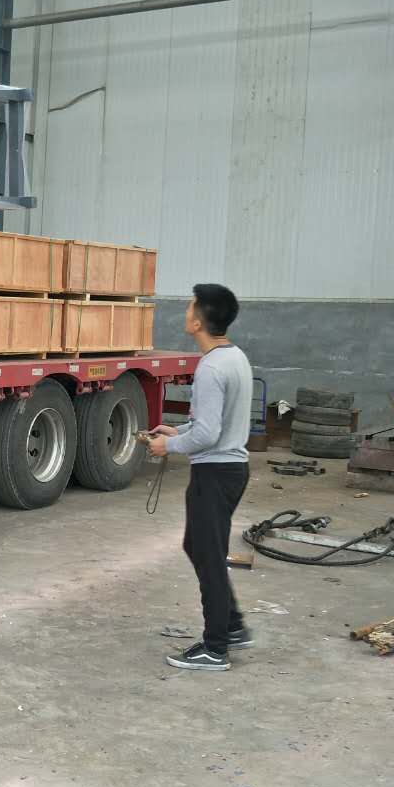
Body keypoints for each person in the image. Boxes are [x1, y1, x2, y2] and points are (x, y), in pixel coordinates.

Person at [146, 283, 253, 672]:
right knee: (198, 545)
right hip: (230, 469)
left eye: (190, 307)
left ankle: (215, 648)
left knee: (208, 555)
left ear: (198, 321)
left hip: (215, 473)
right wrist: (180, 431)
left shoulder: (210, 368)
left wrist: (169, 447)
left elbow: (208, 434)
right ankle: (233, 625)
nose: (186, 312)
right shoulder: (235, 357)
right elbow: (215, 424)